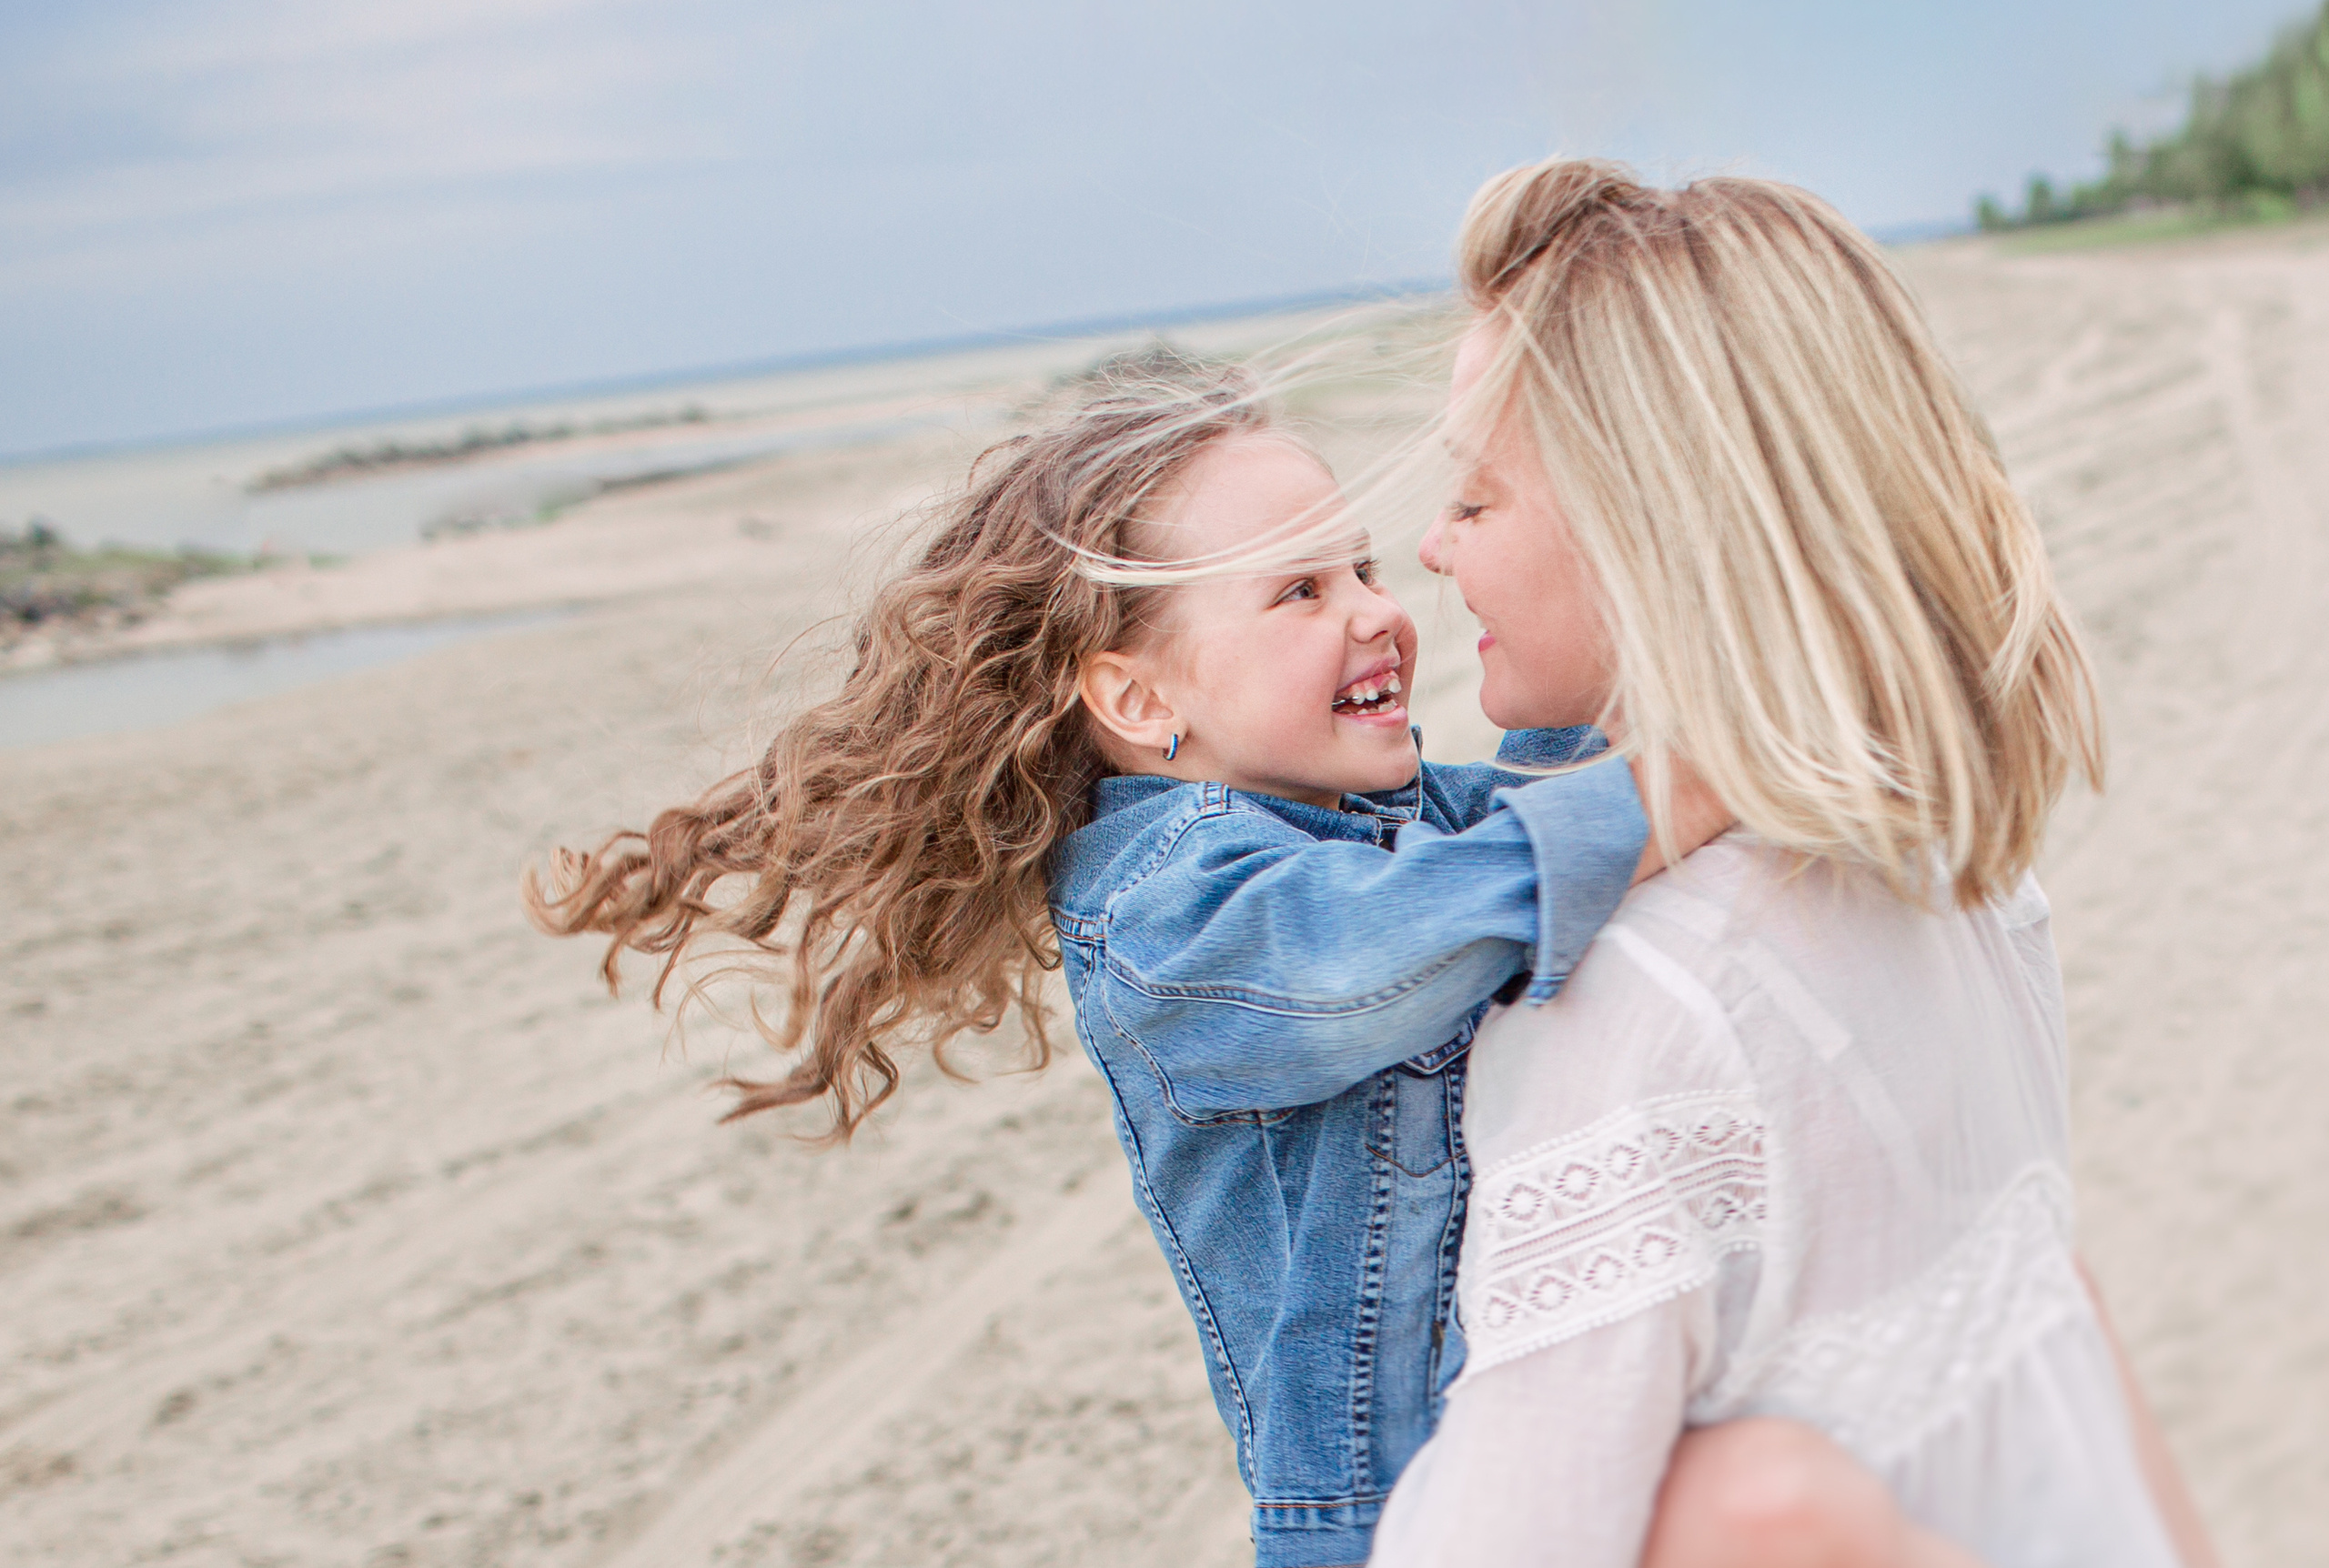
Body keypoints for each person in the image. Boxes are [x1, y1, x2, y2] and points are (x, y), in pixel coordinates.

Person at [525, 350, 1941, 1568]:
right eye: (1299, 593)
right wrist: (1685, 788)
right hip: (1388, 1507)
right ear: (1139, 698)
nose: (1378, 611)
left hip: (1545, 1440)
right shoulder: (1170, 912)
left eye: (1369, 568)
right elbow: (1366, 954)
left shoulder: (1397, 817)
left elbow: (1570, 799)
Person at [1365, 158, 2221, 1568]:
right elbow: (2059, 1324)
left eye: (1476, 494)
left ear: (1651, 522)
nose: (1431, 547)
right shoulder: (1962, 877)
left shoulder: (1631, 1015)